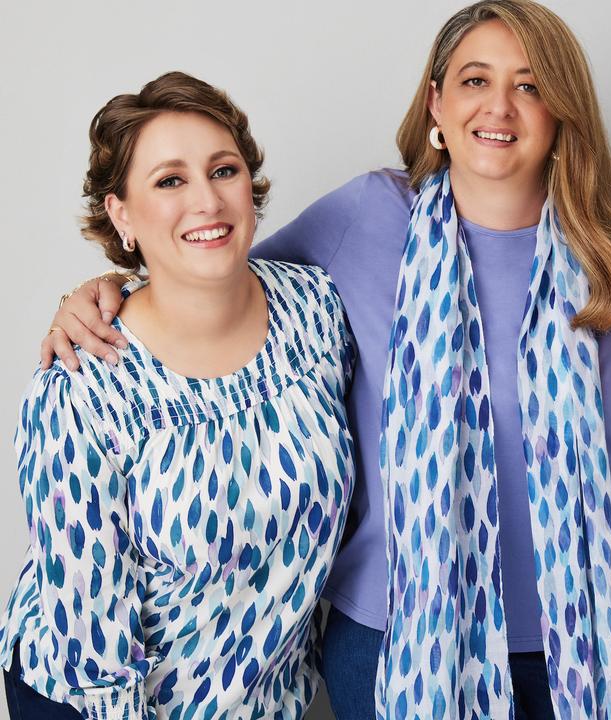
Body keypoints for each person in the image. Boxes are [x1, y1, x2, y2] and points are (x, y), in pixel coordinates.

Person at [40, 3, 611, 718]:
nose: (500, 106)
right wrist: (104, 291)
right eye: (475, 80)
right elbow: (207, 273)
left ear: (563, 110)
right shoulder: (366, 218)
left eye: (531, 85)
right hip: (398, 637)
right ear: (436, 103)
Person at [0, 72, 354, 719]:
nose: (207, 201)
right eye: (169, 180)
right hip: (99, 702)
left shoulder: (318, 310)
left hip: (264, 700)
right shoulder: (82, 385)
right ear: (122, 214)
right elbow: (91, 650)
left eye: (223, 170)